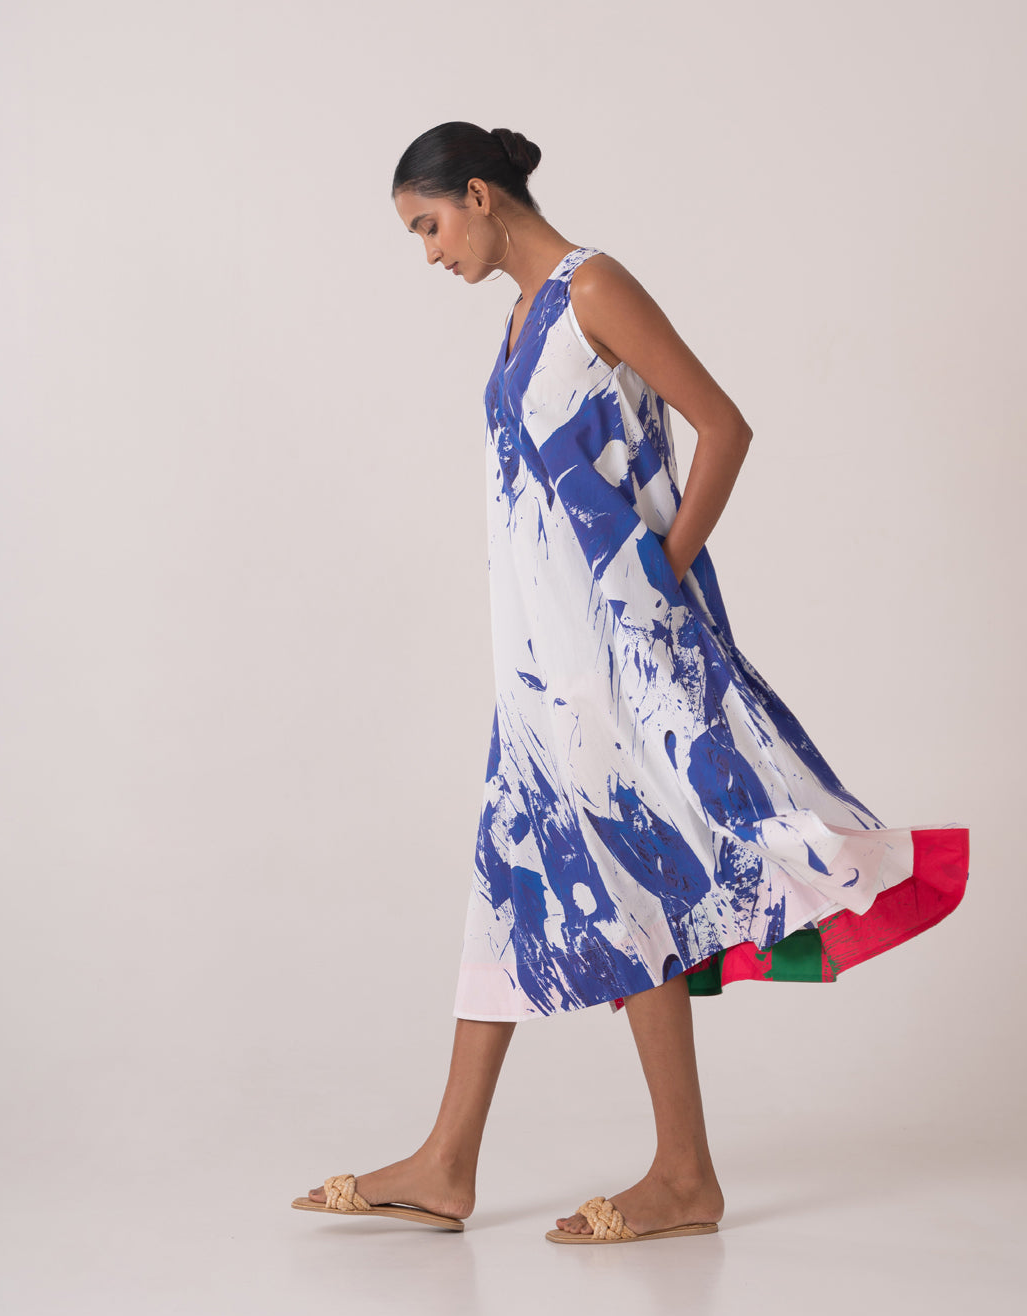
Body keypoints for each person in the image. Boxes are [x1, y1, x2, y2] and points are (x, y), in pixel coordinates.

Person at [291, 122, 970, 1245]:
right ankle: (459, 1164)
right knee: (523, 881)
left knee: (622, 875)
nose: (428, 253)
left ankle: (664, 1175)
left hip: (615, 663)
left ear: (479, 194)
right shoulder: (520, 319)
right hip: (542, 672)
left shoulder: (590, 288)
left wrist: (663, 578)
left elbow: (723, 426)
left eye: (428, 225)